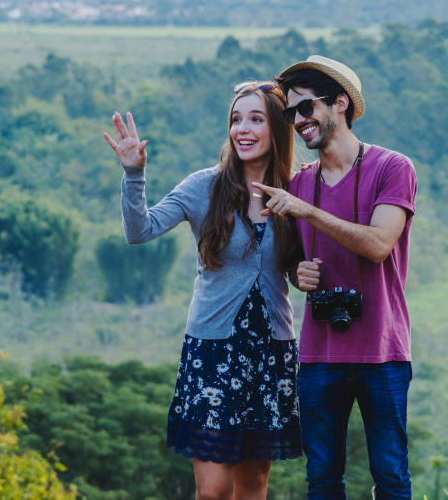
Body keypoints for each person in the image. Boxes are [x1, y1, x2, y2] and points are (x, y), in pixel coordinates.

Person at [103, 82, 305, 500]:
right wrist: (133, 174)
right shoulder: (204, 186)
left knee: (253, 483)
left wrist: (305, 273)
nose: (242, 129)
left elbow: (296, 267)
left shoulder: (297, 190)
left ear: (278, 130)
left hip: (271, 350)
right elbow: (140, 231)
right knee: (212, 491)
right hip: (214, 351)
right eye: (236, 119)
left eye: (256, 119)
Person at [252, 56, 417, 500]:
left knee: (391, 476)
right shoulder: (299, 183)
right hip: (320, 352)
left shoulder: (391, 167)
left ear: (340, 102)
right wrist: (297, 271)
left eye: (306, 108)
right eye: (291, 114)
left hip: (382, 349)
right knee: (322, 478)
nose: (299, 122)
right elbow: (289, 260)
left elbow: (380, 245)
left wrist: (307, 211)